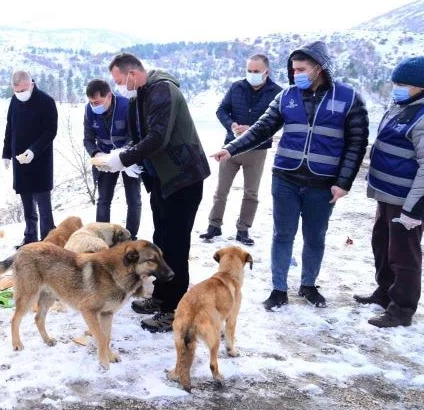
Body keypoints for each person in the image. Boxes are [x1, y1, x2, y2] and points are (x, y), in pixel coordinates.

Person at [211, 41, 369, 311]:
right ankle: (278, 289)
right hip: (286, 179)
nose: (296, 74)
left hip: (323, 184)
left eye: (301, 69)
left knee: (315, 237)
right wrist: (230, 149)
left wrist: (343, 182)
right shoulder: (287, 97)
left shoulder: (348, 98)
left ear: (318, 68)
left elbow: (357, 143)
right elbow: (261, 129)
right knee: (282, 235)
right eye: (293, 69)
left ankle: (308, 285)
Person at [95, 53, 210, 333]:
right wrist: (130, 157)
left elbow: (159, 137)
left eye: (120, 81)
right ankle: (162, 296)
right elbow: (141, 137)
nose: (119, 87)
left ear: (132, 74)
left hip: (183, 177)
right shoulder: (140, 95)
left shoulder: (162, 90)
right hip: (161, 179)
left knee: (176, 244)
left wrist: (124, 160)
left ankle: (175, 309)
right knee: (161, 241)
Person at [358, 56, 424, 327]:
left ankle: (402, 309)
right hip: (386, 196)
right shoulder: (399, 108)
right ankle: (384, 292)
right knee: (382, 246)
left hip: (406, 201)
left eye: (404, 84)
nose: (397, 87)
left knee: (404, 255)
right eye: (396, 82)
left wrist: (413, 208)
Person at [200, 54, 283, 245]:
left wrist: (251, 129)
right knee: (221, 189)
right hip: (230, 147)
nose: (252, 74)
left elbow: (276, 123)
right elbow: (221, 110)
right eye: (249, 71)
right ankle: (214, 225)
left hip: (257, 150)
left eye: (256, 71)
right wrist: (231, 125)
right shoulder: (237, 87)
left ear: (266, 72)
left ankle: (243, 229)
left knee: (251, 193)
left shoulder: (277, 93)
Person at [2, 70, 58, 247]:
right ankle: (30, 237)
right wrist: (6, 153)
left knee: (43, 203)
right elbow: (9, 128)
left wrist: (33, 151)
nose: (20, 94)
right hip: (20, 159)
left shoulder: (46, 101)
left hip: (40, 159)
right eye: (17, 91)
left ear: (31, 85)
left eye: (23, 90)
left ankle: (48, 241)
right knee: (26, 202)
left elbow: (50, 131)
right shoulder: (14, 101)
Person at [83, 78, 142, 238]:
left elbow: (136, 135)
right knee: (103, 200)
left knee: (133, 199)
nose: (94, 106)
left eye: (98, 102)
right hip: (105, 157)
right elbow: (87, 139)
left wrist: (123, 155)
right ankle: (102, 237)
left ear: (109, 96)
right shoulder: (89, 111)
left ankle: (131, 237)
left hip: (128, 156)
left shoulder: (127, 105)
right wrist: (96, 154)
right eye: (91, 102)